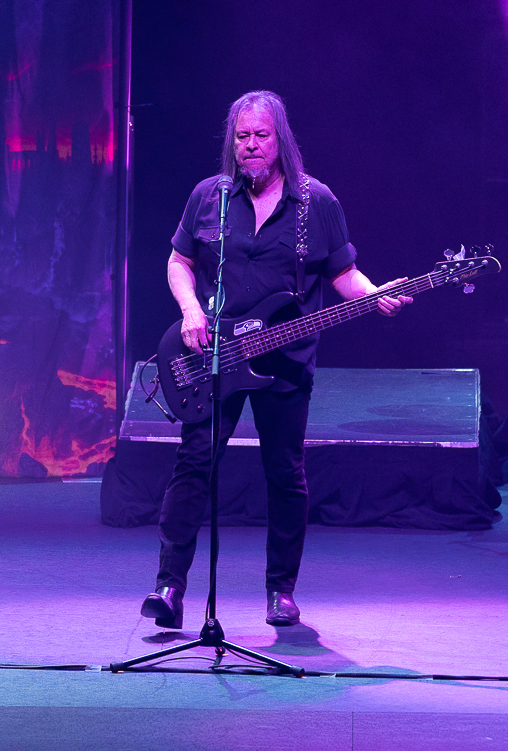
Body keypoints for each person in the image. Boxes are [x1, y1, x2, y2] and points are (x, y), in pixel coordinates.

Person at [141, 91, 412, 629]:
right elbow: (179, 261)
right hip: (214, 354)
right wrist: (191, 310)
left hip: (284, 359)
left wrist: (374, 295)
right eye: (242, 136)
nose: (250, 146)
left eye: (260, 136)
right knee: (193, 466)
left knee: (285, 474)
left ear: (279, 139)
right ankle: (170, 587)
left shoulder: (317, 203)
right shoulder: (210, 197)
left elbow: (342, 274)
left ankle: (280, 592)